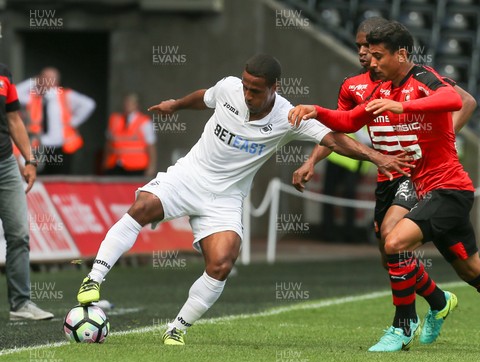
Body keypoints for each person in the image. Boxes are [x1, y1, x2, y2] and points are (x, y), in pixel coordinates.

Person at [74, 54, 412, 345]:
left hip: (225, 198)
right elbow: (204, 96)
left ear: (274, 88)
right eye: (245, 85)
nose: (247, 93)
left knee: (222, 263)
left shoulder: (288, 116)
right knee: (142, 207)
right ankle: (95, 278)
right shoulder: (229, 88)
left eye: (256, 89)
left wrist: (376, 157)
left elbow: (335, 139)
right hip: (188, 177)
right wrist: (175, 104)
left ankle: (176, 329)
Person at [289, 21, 480, 354]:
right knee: (471, 270)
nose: (371, 62)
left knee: (395, 240)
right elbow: (350, 121)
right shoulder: (381, 89)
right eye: (368, 55)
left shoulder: (423, 79)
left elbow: (453, 99)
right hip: (429, 190)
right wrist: (317, 111)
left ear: (401, 54)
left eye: (377, 56)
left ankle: (402, 326)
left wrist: (405, 106)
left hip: (448, 189)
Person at [293, 17, 477, 349]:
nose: (365, 53)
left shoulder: (415, 77)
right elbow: (342, 128)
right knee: (387, 252)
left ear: (391, 51)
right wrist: (310, 160)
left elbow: (463, 100)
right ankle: (437, 300)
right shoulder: (355, 86)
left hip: (412, 171)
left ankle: (402, 325)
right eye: (361, 47)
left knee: (394, 238)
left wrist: (439, 141)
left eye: (371, 47)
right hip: (386, 177)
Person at [0, 63, 54, 320]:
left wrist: (29, 160)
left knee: (19, 234)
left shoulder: (4, 73)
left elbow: (13, 119)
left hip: (6, 164)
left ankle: (21, 305)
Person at [16, 67, 96, 175]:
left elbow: (89, 104)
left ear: (56, 81)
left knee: (59, 176)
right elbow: (15, 93)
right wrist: (34, 81)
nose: (45, 80)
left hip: (59, 146)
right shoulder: (34, 96)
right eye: (43, 77)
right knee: (39, 175)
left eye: (48, 78)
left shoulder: (65, 95)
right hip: (39, 146)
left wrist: (73, 122)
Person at [104, 93, 157, 177]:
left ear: (137, 105)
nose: (127, 105)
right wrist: (105, 162)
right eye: (126, 102)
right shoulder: (114, 120)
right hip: (115, 166)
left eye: (130, 103)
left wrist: (151, 167)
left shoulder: (144, 122)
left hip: (136, 167)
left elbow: (150, 147)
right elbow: (108, 144)